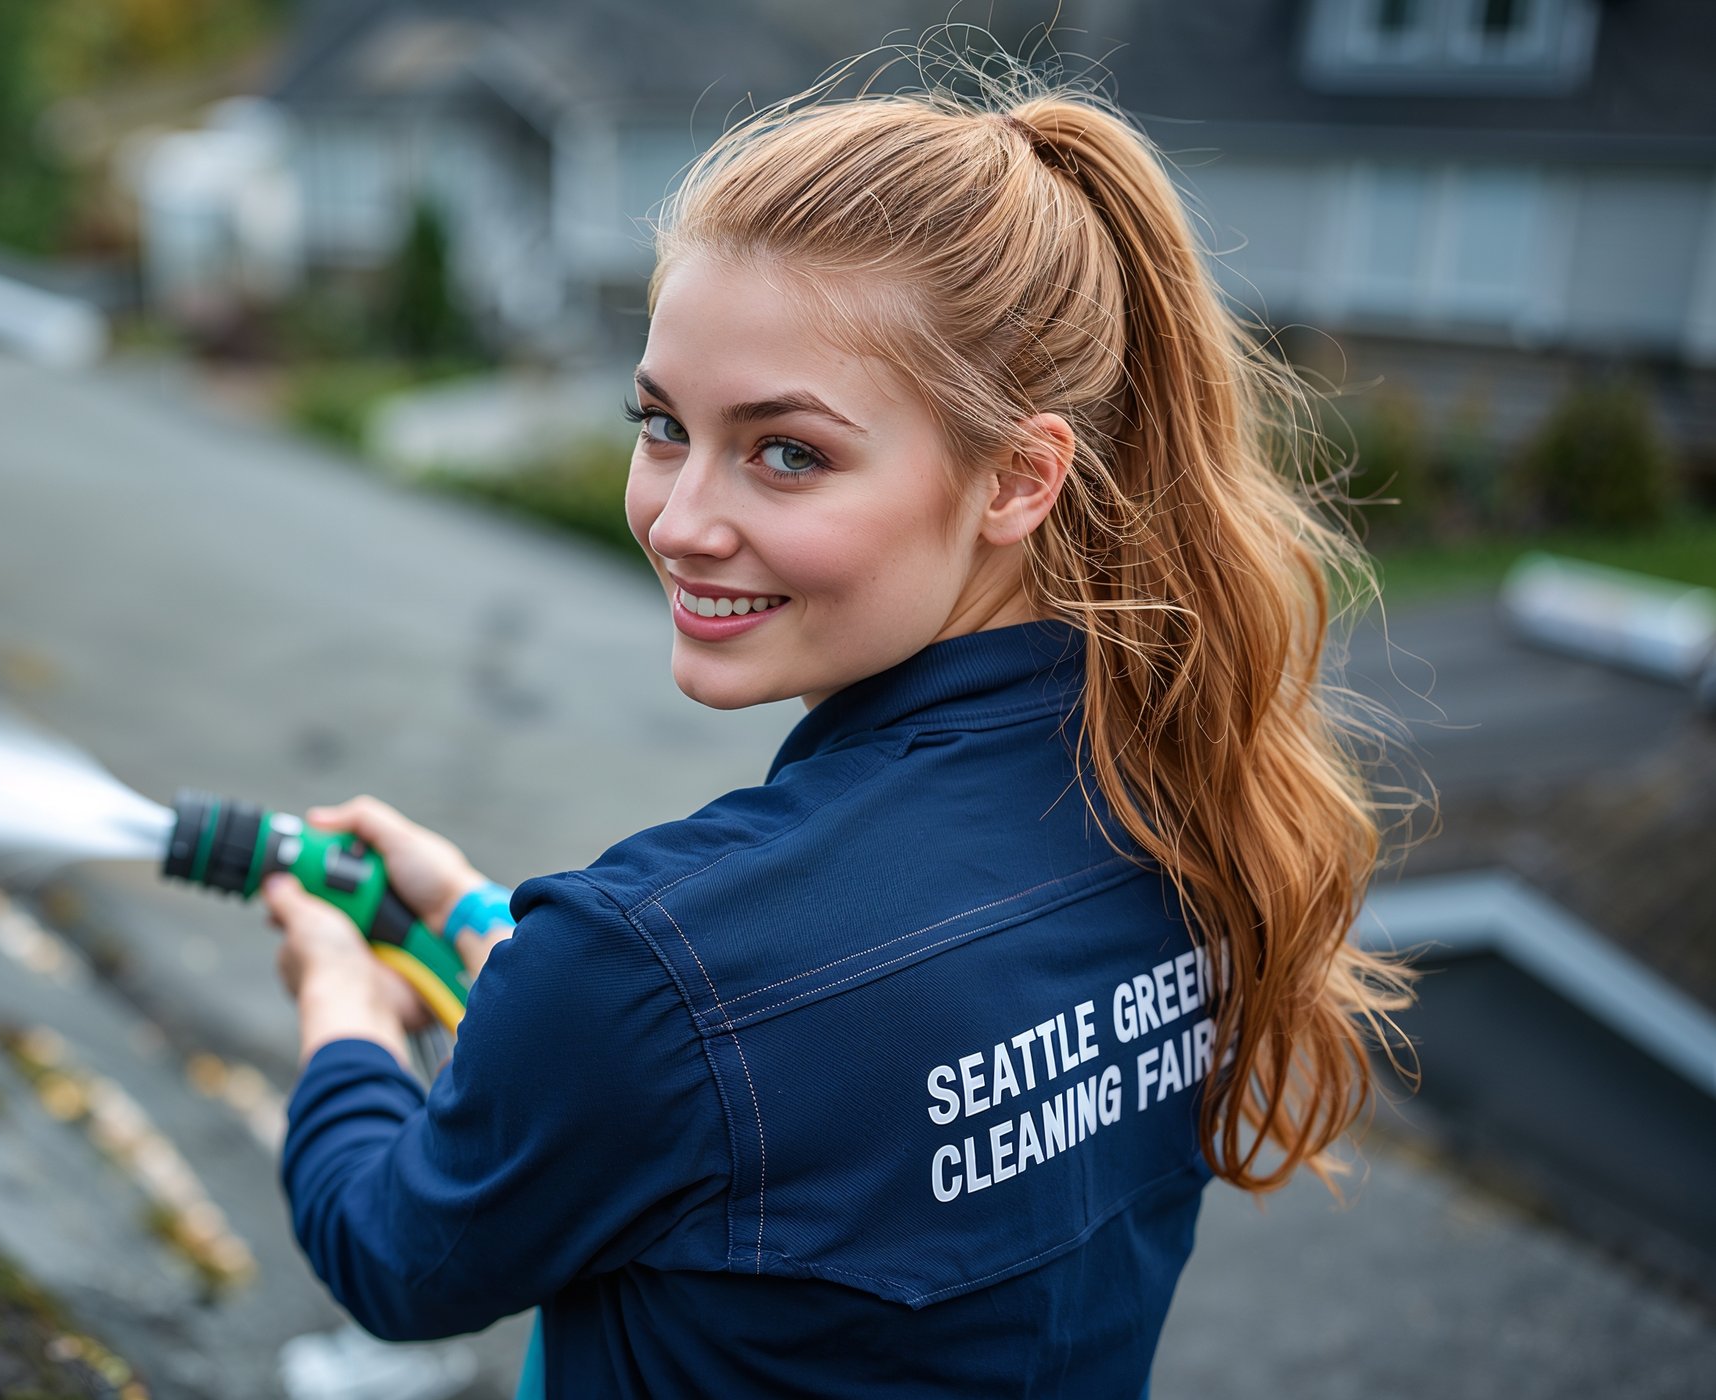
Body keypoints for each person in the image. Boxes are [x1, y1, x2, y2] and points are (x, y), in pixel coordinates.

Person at [258, 80, 1418, 1398]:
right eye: (661, 427)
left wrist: (344, 1016)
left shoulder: (647, 965)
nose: (682, 519)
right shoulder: (1189, 804)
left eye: (787, 454)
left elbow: (399, 1256)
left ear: (1018, 480)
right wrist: (498, 947)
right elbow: (788, 1105)